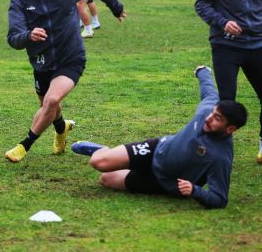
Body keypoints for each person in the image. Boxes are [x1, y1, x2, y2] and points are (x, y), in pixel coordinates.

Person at [72, 66, 247, 209]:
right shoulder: (207, 111)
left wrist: (194, 190)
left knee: (105, 180)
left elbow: (220, 199)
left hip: (165, 182)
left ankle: (128, 168)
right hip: (157, 148)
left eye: (217, 119)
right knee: (99, 162)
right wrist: (202, 71)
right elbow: (209, 92)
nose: (209, 118)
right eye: (213, 113)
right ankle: (103, 150)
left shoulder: (220, 156)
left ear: (230, 129)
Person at [4, 0, 126, 163]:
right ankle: (62, 128)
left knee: (51, 101)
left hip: (71, 58)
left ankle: (24, 146)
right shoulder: (19, 3)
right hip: (41, 62)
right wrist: (28, 35)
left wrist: (116, 7)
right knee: (49, 106)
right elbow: (13, 39)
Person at [195, 0, 262, 164]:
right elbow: (201, 3)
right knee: (226, 103)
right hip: (226, 45)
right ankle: (218, 152)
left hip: (257, 45)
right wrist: (223, 22)